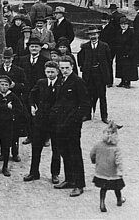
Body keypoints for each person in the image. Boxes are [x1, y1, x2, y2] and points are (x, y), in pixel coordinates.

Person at [50, 56, 89, 197]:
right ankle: (69, 179)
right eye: (62, 68)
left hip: (72, 125)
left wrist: (75, 120)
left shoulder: (78, 82)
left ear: (72, 67)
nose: (64, 70)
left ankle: (79, 184)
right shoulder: (60, 80)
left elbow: (85, 104)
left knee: (74, 153)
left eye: (67, 68)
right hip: (60, 123)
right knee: (64, 152)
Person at [24, 61, 62, 184]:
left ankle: (55, 174)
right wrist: (32, 106)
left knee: (56, 149)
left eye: (52, 72)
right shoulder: (41, 83)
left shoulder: (61, 84)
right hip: (41, 121)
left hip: (56, 122)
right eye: (48, 72)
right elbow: (31, 95)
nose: (50, 74)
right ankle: (33, 172)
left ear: (57, 72)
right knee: (36, 147)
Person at [78, 26, 112, 123]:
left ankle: (104, 116)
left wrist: (107, 76)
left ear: (98, 34)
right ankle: (87, 115)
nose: (93, 36)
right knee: (87, 95)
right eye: (91, 35)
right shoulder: (85, 46)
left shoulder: (104, 46)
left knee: (102, 96)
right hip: (89, 74)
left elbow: (108, 61)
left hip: (100, 75)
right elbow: (80, 58)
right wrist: (83, 67)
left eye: (94, 34)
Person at [90, 121, 125, 212]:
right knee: (117, 187)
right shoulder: (116, 148)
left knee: (103, 188)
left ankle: (102, 203)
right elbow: (118, 161)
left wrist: (94, 160)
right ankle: (119, 199)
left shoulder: (98, 145)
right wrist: (120, 171)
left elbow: (92, 154)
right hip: (113, 172)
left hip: (101, 171)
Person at [115, 17, 139, 88]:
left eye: (125, 24)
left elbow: (134, 44)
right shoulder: (119, 32)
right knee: (120, 67)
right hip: (120, 53)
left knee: (128, 68)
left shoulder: (131, 33)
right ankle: (122, 81)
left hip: (128, 53)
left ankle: (127, 82)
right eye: (122, 24)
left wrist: (131, 53)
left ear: (128, 25)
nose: (123, 26)